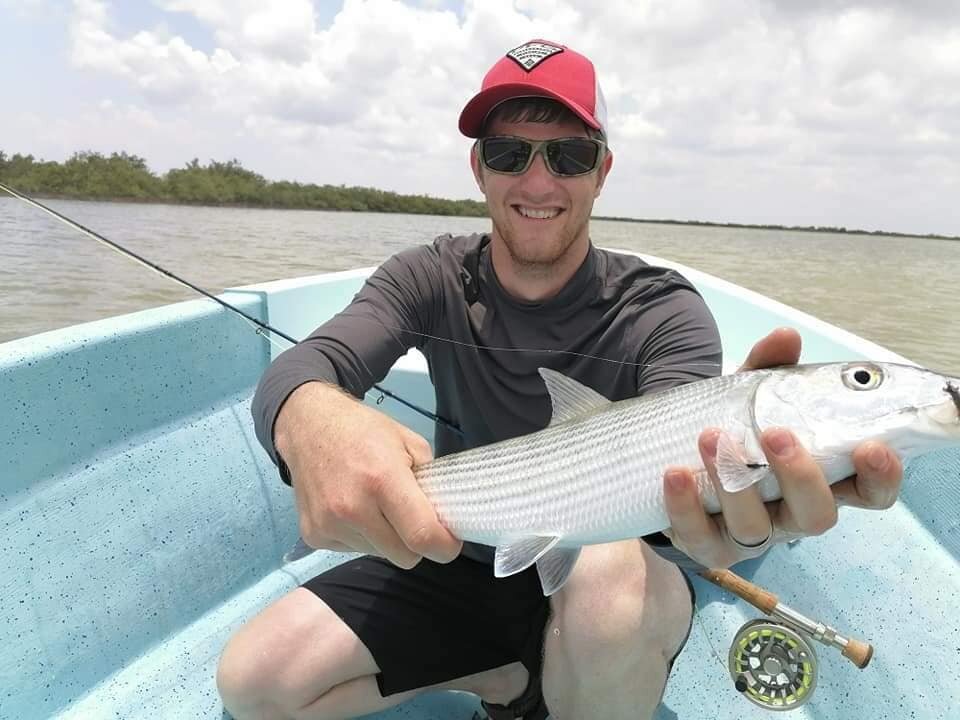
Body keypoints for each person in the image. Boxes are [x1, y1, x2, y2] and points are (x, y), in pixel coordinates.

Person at [216, 40, 904, 720]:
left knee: (607, 580)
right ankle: (507, 677)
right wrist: (311, 418)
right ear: (478, 169)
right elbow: (305, 367)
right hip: (465, 545)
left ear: (602, 171)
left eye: (568, 155)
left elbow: (680, 493)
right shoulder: (426, 276)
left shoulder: (663, 309)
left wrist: (741, 505)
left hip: (614, 557)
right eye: (508, 153)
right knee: (255, 683)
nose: (537, 182)